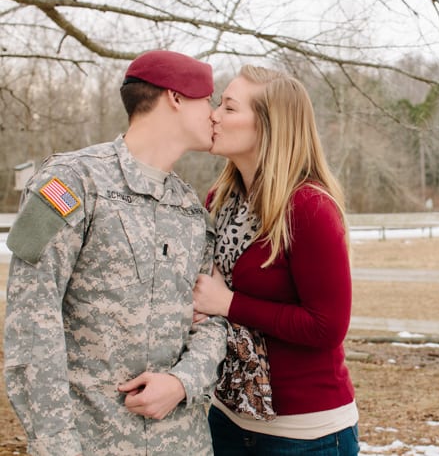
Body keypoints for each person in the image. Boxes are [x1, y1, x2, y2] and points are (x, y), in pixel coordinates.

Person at [3, 50, 228, 456]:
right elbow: (31, 323)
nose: (214, 114)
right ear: (175, 98)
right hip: (89, 443)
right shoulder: (71, 183)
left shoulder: (193, 209)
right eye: (208, 100)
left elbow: (210, 322)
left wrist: (183, 382)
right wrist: (55, 444)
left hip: (182, 443)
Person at [192, 65, 359, 455]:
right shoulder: (220, 200)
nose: (214, 114)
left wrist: (229, 303)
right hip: (228, 417)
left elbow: (327, 327)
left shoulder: (308, 207)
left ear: (270, 126)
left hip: (305, 434)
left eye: (229, 108)